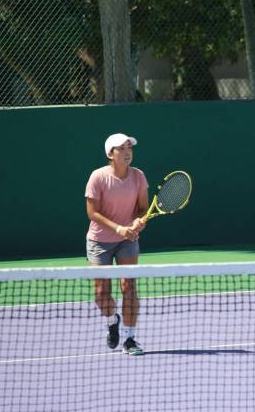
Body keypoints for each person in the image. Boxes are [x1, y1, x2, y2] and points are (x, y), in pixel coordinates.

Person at [85, 133, 149, 356]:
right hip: (99, 241)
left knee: (129, 288)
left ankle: (130, 339)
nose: (128, 151)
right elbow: (92, 213)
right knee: (101, 293)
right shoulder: (98, 177)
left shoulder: (138, 176)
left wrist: (137, 222)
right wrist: (119, 228)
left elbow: (143, 208)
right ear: (110, 154)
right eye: (122, 148)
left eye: (129, 147)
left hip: (127, 241)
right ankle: (113, 321)